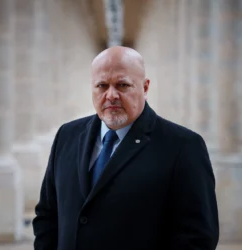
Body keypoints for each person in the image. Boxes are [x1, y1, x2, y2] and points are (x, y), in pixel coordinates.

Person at [32, 46, 219, 250]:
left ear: (145, 88)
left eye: (122, 85)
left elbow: (197, 238)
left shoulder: (183, 147)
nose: (111, 95)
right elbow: (47, 215)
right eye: (102, 86)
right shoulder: (67, 136)